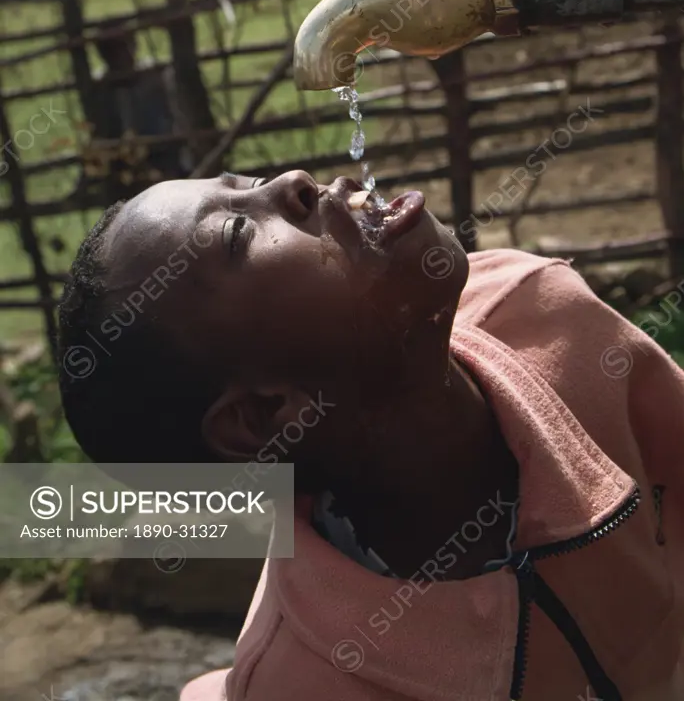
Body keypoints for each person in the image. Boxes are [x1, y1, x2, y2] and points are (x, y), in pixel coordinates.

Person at [56, 170, 684, 701]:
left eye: (248, 180)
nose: (295, 181)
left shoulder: (541, 314)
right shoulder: (299, 681)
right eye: (237, 234)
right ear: (267, 413)